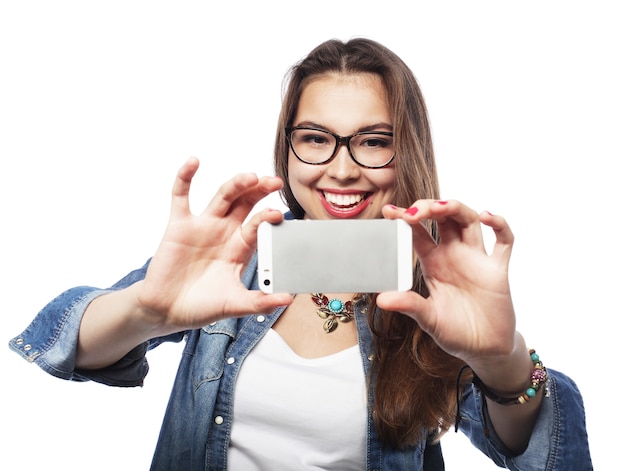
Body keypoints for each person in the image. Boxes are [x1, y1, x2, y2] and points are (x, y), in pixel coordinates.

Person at [9, 38, 593, 470]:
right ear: (287, 150)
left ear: (406, 151)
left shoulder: (433, 299)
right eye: (315, 138)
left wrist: (503, 360)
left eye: (374, 141)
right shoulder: (238, 259)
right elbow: (66, 346)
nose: (341, 169)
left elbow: (535, 452)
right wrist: (147, 311)